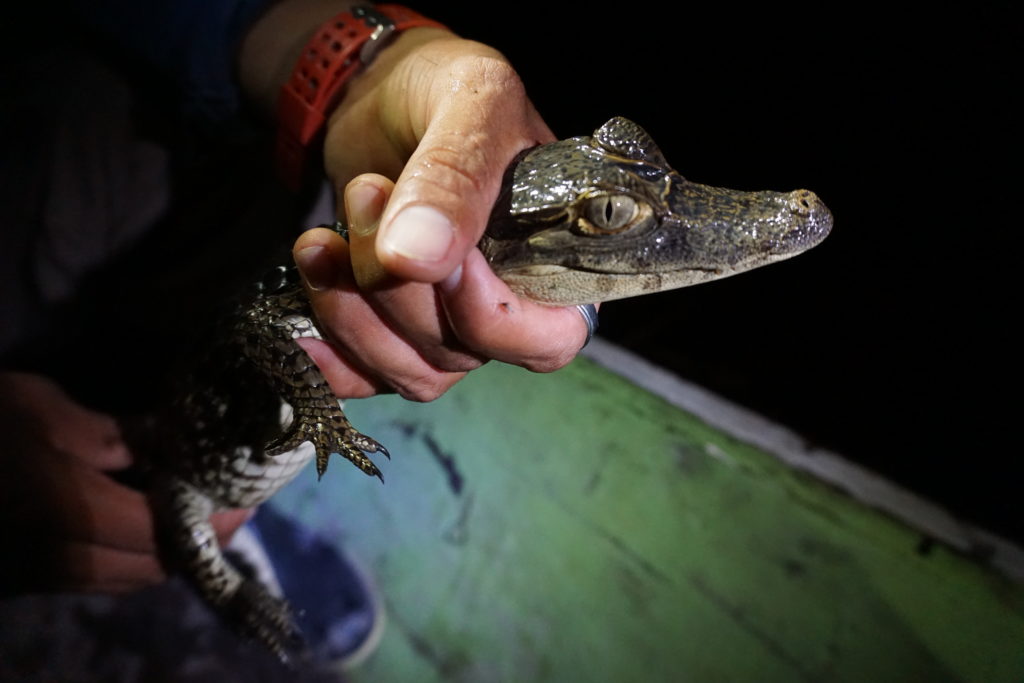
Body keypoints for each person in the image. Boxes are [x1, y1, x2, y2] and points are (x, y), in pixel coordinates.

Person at [0, 1, 589, 600]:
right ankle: (237, 584)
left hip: (198, 168)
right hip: (55, 167)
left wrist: (367, 67)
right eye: (605, 215)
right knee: (184, 541)